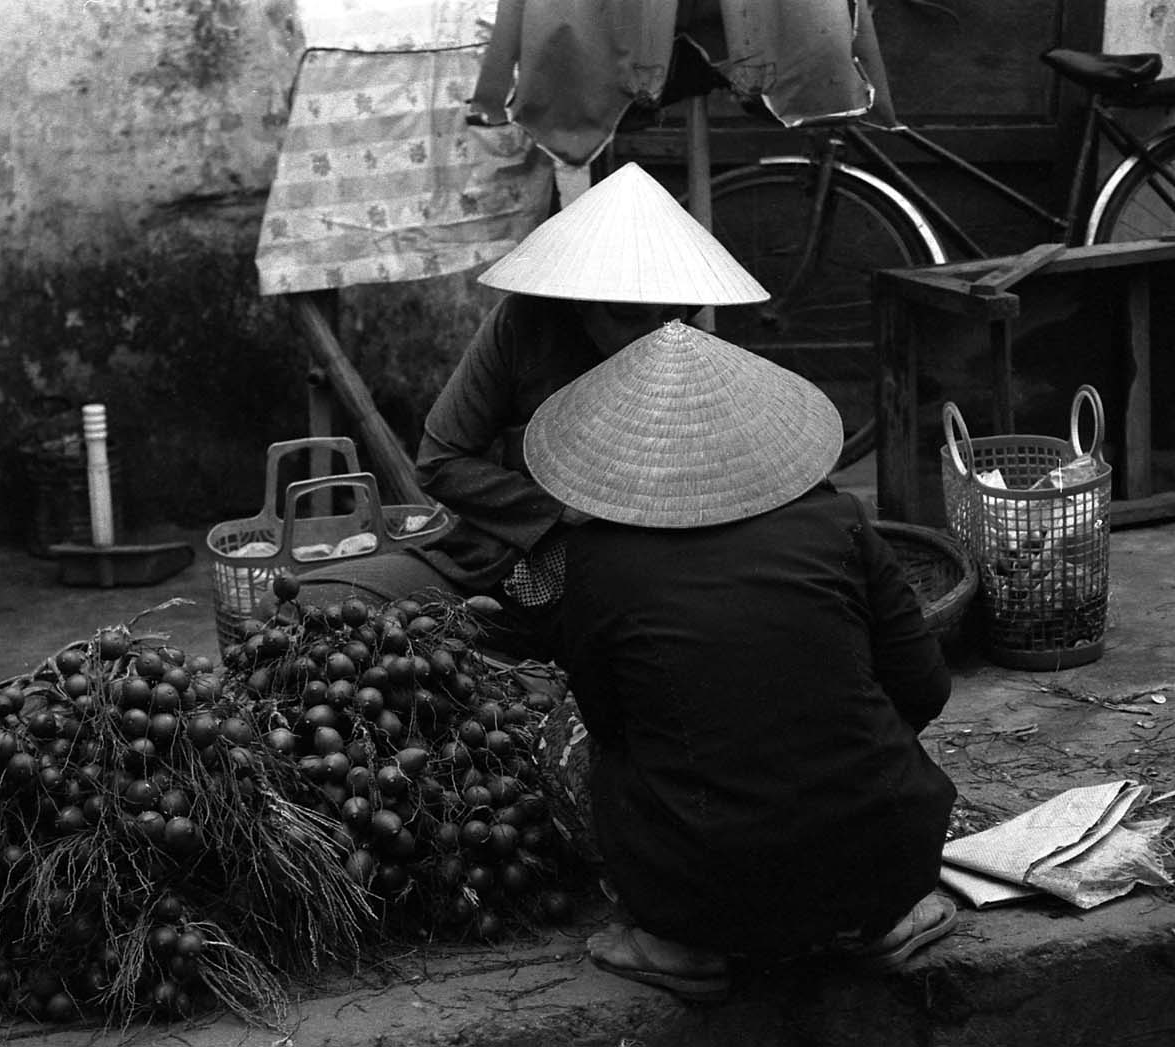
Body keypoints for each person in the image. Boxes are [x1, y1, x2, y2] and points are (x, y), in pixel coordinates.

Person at [521, 318, 958, 1001]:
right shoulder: (840, 521)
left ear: (626, 458)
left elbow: (607, 725)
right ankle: (881, 921)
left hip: (705, 889)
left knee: (565, 736)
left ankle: (679, 946)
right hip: (884, 857)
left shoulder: (598, 561)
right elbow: (925, 687)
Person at [406, 160, 768, 659]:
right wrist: (561, 508)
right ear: (580, 303)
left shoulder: (688, 341)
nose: (651, 334)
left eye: (669, 316)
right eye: (626, 317)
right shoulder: (523, 326)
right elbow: (440, 463)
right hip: (544, 552)